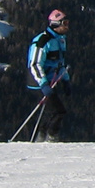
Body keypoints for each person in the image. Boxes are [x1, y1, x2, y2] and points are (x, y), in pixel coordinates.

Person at [27, 8, 72, 140]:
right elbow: (35, 64)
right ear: (56, 24)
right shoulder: (42, 41)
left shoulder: (60, 40)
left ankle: (41, 138)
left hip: (52, 80)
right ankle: (51, 137)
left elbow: (60, 62)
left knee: (50, 112)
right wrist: (43, 84)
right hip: (39, 82)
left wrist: (65, 80)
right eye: (65, 23)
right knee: (59, 110)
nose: (67, 26)